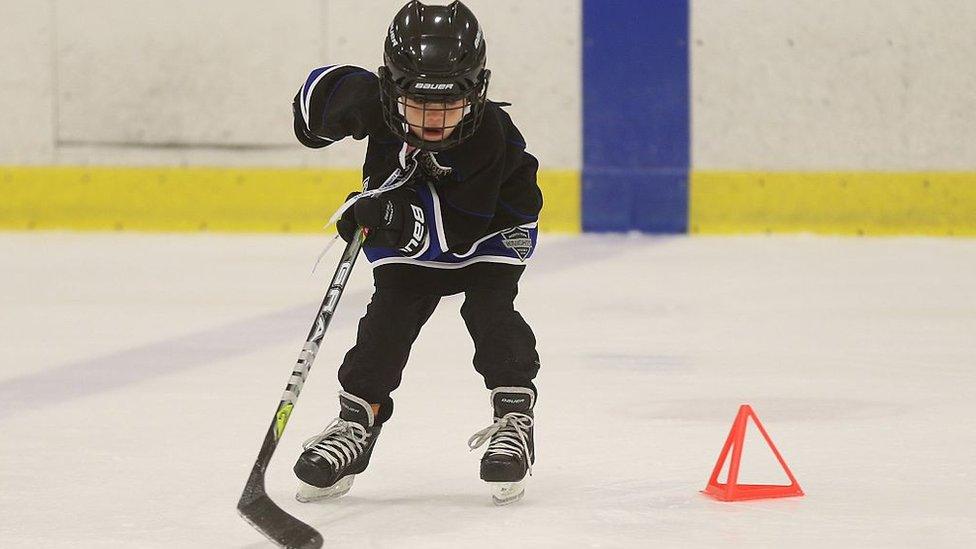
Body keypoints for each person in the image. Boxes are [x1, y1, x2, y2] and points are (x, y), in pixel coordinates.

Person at [291, 0, 542, 506]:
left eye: (450, 103)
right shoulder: (379, 101)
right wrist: (333, 103)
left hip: (493, 230)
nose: (434, 118)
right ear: (391, 89)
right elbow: (311, 109)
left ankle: (514, 416)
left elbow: (456, 237)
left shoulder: (490, 136)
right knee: (388, 320)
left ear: (477, 92)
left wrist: (382, 214)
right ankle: (356, 423)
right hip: (408, 217)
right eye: (419, 102)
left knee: (489, 311)